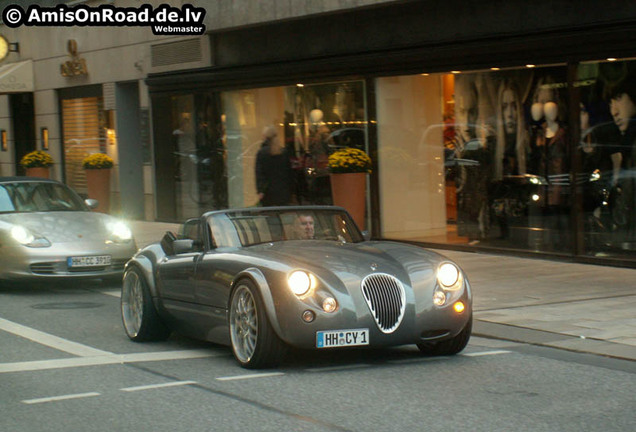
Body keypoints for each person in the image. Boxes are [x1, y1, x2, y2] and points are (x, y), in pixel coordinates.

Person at [255, 125, 294, 206]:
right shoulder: (283, 152)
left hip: (268, 191)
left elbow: (259, 174)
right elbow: (289, 173)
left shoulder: (262, 153)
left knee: (270, 215)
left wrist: (260, 190)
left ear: (265, 136)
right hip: (283, 191)